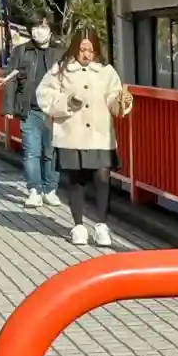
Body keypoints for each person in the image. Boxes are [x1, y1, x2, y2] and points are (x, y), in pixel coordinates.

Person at [36, 28, 132, 248]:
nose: (87, 54)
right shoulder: (61, 69)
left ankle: (102, 225)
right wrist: (67, 102)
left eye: (91, 50)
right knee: (76, 179)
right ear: (74, 48)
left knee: (102, 177)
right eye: (82, 49)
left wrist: (122, 102)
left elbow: (114, 100)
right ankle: (78, 226)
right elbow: (44, 94)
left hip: (100, 134)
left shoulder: (106, 71)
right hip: (71, 133)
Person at [1, 12, 62, 208]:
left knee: (52, 152)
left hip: (54, 111)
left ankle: (50, 189)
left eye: (42, 27)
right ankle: (34, 190)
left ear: (50, 29)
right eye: (34, 27)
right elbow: (9, 79)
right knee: (31, 152)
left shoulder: (61, 52)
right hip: (29, 109)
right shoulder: (21, 51)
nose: (38, 31)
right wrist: (8, 107)